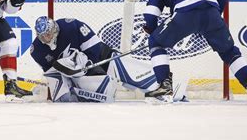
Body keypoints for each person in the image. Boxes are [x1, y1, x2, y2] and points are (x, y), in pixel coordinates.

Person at [30, 16, 166, 103]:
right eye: (43, 36)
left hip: (92, 61)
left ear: (54, 29)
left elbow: (97, 49)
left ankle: (159, 84)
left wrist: (92, 67)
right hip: (75, 75)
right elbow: (54, 75)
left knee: (116, 63)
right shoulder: (37, 50)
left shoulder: (71, 26)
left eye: (48, 34)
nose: (46, 39)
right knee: (63, 98)